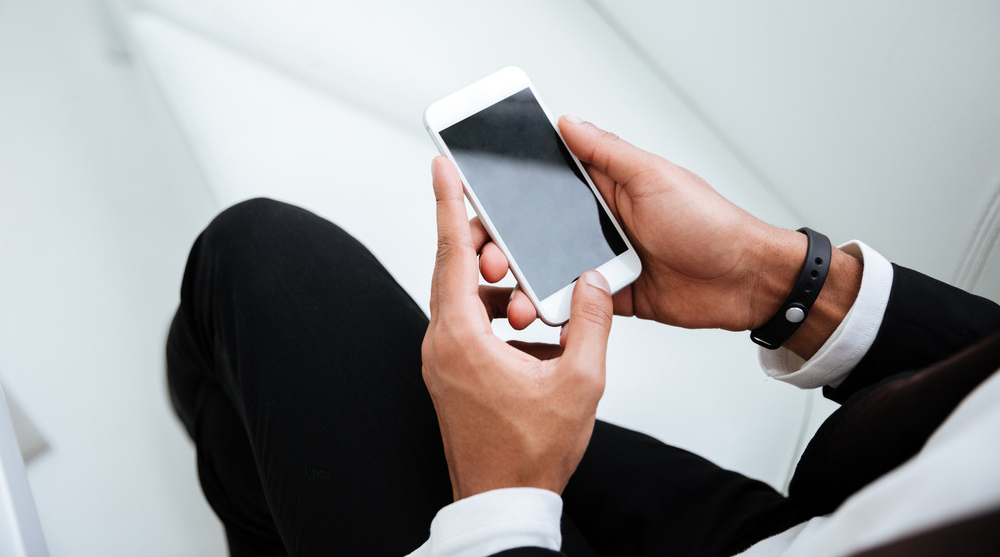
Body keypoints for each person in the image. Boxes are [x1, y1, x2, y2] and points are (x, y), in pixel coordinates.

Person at [166, 117, 1000, 556]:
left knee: (254, 267)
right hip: (787, 533)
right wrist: (780, 278)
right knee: (252, 393)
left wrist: (504, 496)